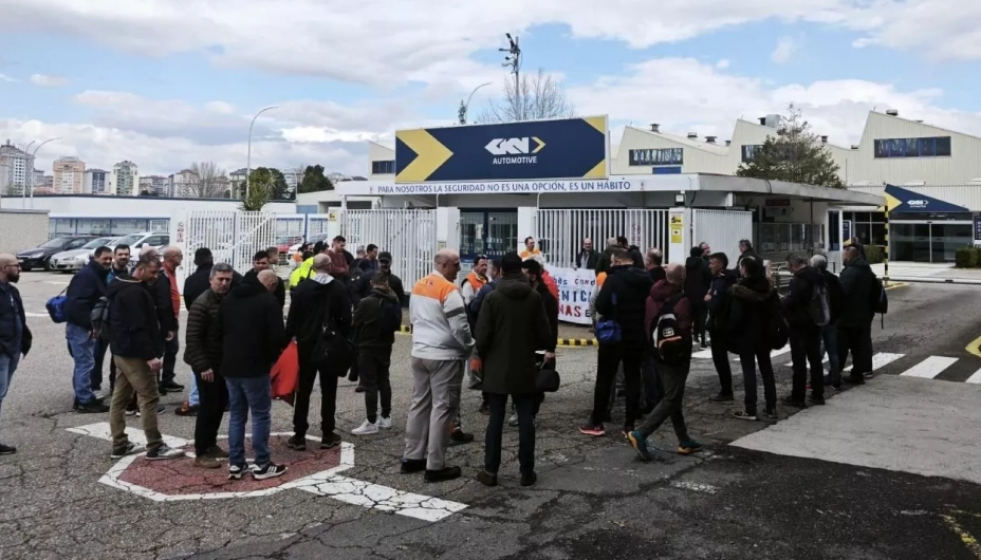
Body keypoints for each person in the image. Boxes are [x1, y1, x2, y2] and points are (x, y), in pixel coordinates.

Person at [475, 252, 552, 488]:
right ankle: (526, 471)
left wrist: (485, 356)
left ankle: (491, 471)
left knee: (496, 419)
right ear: (520, 269)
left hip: (497, 367)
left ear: (502, 271)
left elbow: (482, 336)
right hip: (525, 366)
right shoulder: (533, 297)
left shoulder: (492, 297)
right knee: (525, 417)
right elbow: (545, 335)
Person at [401, 249, 475, 483]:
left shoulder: (419, 285)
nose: (458, 269)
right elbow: (460, 327)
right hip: (445, 357)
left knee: (420, 404)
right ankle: (435, 465)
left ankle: (412, 457)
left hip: (420, 352)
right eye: (455, 264)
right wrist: (469, 346)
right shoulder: (449, 290)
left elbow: (414, 318)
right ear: (444, 265)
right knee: (443, 409)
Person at [107, 256, 183, 461]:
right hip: (135, 354)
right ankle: (155, 445)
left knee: (120, 398)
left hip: (120, 350)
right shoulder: (135, 293)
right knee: (149, 397)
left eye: (157, 273)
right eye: (152, 272)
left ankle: (120, 444)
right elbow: (138, 326)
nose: (155, 277)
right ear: (140, 270)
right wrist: (150, 356)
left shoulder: (119, 285)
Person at [628, 264, 703, 460]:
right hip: (676, 356)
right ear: (682, 278)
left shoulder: (651, 297)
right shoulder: (682, 300)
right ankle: (641, 433)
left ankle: (684, 438)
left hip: (656, 352)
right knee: (672, 397)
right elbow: (685, 329)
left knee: (672, 395)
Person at [219, 269, 288, 480]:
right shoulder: (268, 302)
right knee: (260, 414)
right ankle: (262, 463)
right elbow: (277, 337)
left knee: (237, 415)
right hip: (255, 366)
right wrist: (270, 357)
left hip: (230, 365)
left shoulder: (229, 299)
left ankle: (236, 463)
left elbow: (218, 331)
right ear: (272, 284)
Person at [580, 248, 652, 437]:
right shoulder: (645, 278)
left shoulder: (613, 279)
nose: (610, 265)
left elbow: (601, 304)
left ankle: (597, 422)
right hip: (636, 334)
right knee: (633, 378)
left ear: (618, 262)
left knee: (605, 377)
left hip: (614, 335)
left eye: (612, 262)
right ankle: (629, 424)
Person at [285, 255, 351, 451]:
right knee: (328, 390)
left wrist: (289, 338)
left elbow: (293, 318)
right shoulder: (338, 288)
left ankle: (299, 434)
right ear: (329, 267)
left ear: (313, 268)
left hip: (306, 344)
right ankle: (328, 433)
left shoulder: (303, 288)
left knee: (303, 389)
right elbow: (347, 318)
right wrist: (342, 338)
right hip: (330, 345)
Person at [183, 263, 235, 469]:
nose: (224, 283)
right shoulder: (202, 303)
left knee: (220, 403)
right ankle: (201, 452)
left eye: (227, 280)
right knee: (207, 406)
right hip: (205, 364)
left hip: (220, 362)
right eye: (220, 279)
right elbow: (193, 339)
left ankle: (211, 444)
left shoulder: (226, 300)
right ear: (211, 280)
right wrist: (203, 366)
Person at [727, 257, 779, 421]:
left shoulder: (740, 290)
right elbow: (777, 311)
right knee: (766, 370)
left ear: (745, 269)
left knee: (749, 371)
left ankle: (750, 408)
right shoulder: (769, 288)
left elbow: (736, 316)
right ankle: (771, 407)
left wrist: (729, 332)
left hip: (746, 335)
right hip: (765, 335)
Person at [350, 273, 402, 435]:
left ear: (372, 283)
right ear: (386, 283)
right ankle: (386, 416)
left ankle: (371, 421)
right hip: (385, 344)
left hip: (367, 346)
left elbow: (355, 322)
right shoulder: (393, 299)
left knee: (369, 383)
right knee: (383, 379)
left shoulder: (367, 302)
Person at [65, 245, 112, 413]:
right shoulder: (87, 276)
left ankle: (82, 397)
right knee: (85, 363)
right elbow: (78, 303)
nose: (108, 261)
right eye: (104, 258)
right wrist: (89, 325)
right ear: (95, 258)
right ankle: (84, 400)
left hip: (83, 326)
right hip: (81, 327)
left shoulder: (95, 274)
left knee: (84, 363)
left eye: (109, 259)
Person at [782, 254, 827, 407]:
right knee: (815, 360)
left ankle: (798, 396)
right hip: (815, 323)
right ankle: (818, 394)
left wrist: (782, 302)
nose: (788, 268)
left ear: (794, 265)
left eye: (788, 265)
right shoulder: (817, 276)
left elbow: (792, 302)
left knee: (799, 362)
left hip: (800, 325)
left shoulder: (799, 280)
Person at [0, 254, 30, 455]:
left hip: (13, 350)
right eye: (16, 266)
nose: (19, 269)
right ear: (4, 268)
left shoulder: (12, 291)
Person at [521, 259, 558, 421]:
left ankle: (530, 415)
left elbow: (553, 326)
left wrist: (550, 349)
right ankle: (520, 409)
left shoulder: (547, 298)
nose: (521, 278)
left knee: (535, 384)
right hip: (523, 346)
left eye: (524, 274)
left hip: (540, 348)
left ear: (533, 276)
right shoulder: (522, 294)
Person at [837, 246, 875, 386]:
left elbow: (841, 293)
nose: (842, 257)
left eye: (843, 255)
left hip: (848, 317)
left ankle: (835, 374)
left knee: (840, 347)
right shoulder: (866, 270)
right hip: (863, 315)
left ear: (848, 256)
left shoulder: (850, 272)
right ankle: (857, 374)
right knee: (858, 348)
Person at [469, 258, 502, 415]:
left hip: (489, 334)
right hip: (506, 336)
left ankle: (488, 401)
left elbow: (474, 308)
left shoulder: (487, 288)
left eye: (489, 267)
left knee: (488, 368)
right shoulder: (523, 288)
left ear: (496, 271)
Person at [705, 253, 736, 403]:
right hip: (722, 323)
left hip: (719, 325)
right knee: (721, 358)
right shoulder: (722, 278)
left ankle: (726, 390)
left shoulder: (721, 281)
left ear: (721, 264)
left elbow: (716, 305)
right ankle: (726, 389)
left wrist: (708, 300)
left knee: (720, 359)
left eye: (712, 263)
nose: (709, 265)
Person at [811, 254, 843, 388]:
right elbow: (840, 299)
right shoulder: (833, 279)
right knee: (833, 352)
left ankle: (815, 380)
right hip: (831, 321)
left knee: (816, 353)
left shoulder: (813, 280)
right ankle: (836, 379)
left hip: (817, 321)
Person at [104, 244, 131, 399]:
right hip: (106, 320)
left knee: (117, 356)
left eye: (126, 254)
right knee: (97, 356)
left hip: (120, 321)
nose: (123, 257)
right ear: (115, 255)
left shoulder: (129, 272)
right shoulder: (108, 274)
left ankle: (115, 387)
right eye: (120, 254)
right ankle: (94, 386)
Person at [157, 247, 184, 395]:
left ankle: (167, 379)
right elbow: (163, 299)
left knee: (172, 349)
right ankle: (157, 383)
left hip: (172, 318)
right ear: (172, 257)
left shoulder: (171, 271)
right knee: (160, 350)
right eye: (180, 255)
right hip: (165, 320)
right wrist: (167, 322)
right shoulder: (163, 273)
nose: (182, 257)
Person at [684, 246, 711, 348]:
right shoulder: (704, 265)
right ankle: (703, 340)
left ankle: (691, 337)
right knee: (702, 318)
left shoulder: (686, 265)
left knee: (690, 317)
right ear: (701, 254)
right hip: (701, 295)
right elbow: (709, 279)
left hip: (689, 295)